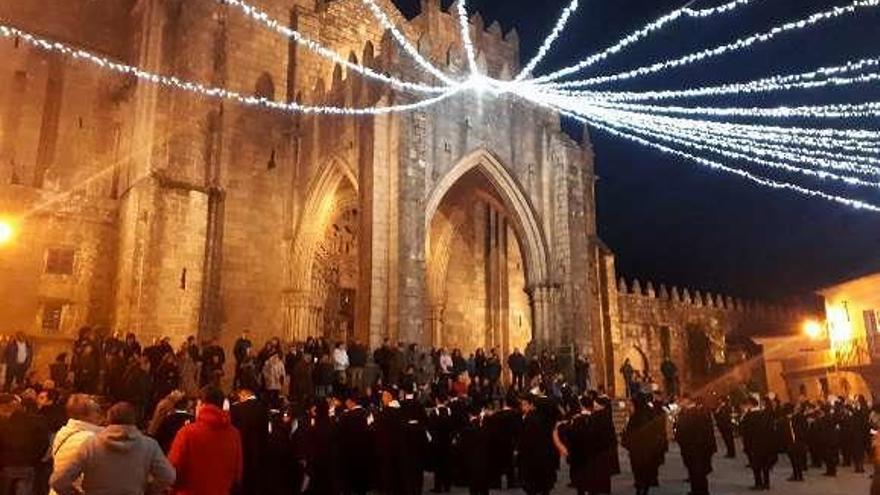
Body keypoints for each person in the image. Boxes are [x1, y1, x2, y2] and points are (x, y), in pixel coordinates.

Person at [50, 402, 175, 495]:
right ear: (133, 420)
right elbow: (168, 476)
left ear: (108, 419)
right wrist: (148, 490)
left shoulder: (91, 445)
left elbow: (58, 481)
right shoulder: (149, 446)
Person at [168, 385, 243, 495]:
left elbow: (171, 471)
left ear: (200, 404)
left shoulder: (187, 433)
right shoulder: (234, 434)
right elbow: (237, 474)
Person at [554, 395, 614, 495]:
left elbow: (570, 434)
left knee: (582, 482)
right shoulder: (599, 417)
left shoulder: (580, 419)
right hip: (595, 455)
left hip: (582, 455)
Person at [49, 394, 103, 495]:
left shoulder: (62, 433)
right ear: (87, 415)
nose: (100, 416)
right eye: (97, 411)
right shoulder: (91, 439)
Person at [0, 393, 50, 495]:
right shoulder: (35, 421)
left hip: (6, 466)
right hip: (28, 466)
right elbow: (43, 443)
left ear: (3, 407)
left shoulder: (3, 423)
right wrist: (34, 459)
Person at [622, 394, 667, 495]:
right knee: (645, 470)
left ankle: (641, 487)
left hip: (639, 450)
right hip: (648, 449)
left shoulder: (637, 417)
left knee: (639, 471)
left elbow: (631, 433)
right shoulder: (649, 413)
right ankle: (644, 487)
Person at [675, 396, 716, 495]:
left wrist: (679, 439)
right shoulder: (700, 413)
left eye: (681, 401)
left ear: (686, 401)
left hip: (693, 448)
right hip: (700, 448)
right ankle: (698, 490)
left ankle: (699, 491)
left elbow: (682, 432)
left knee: (696, 472)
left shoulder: (689, 414)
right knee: (698, 472)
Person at [230, 388, 268, 495]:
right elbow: (265, 432)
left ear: (243, 395)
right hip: (258, 450)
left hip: (242, 449)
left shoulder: (237, 408)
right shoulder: (263, 408)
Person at [517, 394, 557, 495]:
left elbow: (525, 439)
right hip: (547, 455)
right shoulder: (549, 419)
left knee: (532, 486)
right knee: (545, 486)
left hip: (532, 457)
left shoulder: (530, 419)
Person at [337, 391, 371, 495]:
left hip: (348, 454)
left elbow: (339, 434)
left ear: (350, 402)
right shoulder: (367, 414)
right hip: (364, 453)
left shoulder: (345, 416)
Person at [739, 397, 778, 490]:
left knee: (756, 465)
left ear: (749, 404)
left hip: (754, 444)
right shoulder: (764, 413)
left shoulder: (749, 415)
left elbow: (743, 429)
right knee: (765, 464)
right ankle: (766, 483)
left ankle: (758, 483)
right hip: (765, 443)